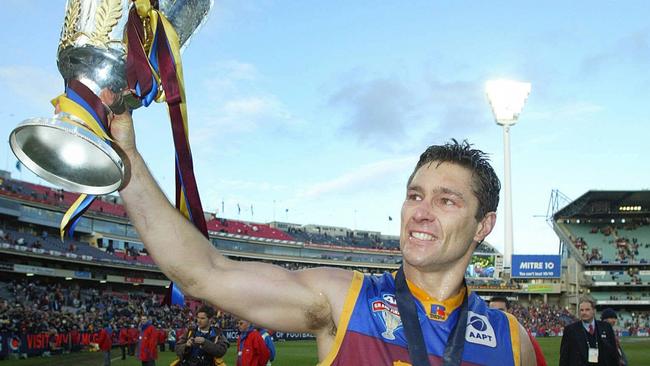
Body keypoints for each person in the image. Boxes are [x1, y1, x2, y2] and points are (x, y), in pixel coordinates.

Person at [103, 93, 536, 365]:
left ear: (483, 225)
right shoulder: (345, 301)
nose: (420, 212)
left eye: (446, 200)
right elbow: (205, 273)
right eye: (415, 195)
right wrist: (128, 161)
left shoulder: (510, 340)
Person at [559, 298, 620, 366]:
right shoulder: (570, 330)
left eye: (587, 310)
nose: (584, 312)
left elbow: (614, 354)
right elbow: (564, 358)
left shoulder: (606, 327)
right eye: (581, 310)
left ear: (594, 311)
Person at [489, 296, 547, 366]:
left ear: (509, 311)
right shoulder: (481, 337)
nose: (496, 314)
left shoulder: (524, 337)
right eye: (492, 311)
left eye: (501, 311)